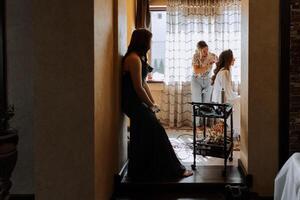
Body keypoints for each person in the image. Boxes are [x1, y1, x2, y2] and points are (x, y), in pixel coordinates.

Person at [122, 29, 193, 180]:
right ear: (142, 41)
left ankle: (142, 171)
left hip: (137, 102)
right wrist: (150, 105)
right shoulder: (133, 59)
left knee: (142, 135)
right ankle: (175, 170)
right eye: (149, 40)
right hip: (132, 103)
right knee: (158, 131)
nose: (150, 43)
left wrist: (152, 103)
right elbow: (138, 87)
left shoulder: (138, 57)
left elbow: (144, 83)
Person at [211, 49, 240, 137]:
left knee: (240, 99)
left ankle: (237, 130)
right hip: (221, 103)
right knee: (242, 101)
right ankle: (238, 130)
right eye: (232, 57)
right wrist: (237, 96)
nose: (234, 59)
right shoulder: (225, 72)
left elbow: (227, 92)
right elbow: (228, 94)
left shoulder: (223, 71)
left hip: (219, 101)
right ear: (228, 59)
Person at [191, 41, 218, 126]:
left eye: (207, 50)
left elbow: (220, 63)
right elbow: (196, 70)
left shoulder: (212, 56)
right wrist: (207, 66)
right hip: (196, 80)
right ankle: (197, 125)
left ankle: (204, 125)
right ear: (199, 50)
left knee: (206, 103)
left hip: (208, 80)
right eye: (204, 51)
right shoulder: (195, 56)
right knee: (197, 102)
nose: (206, 52)